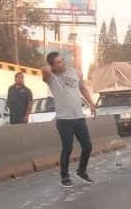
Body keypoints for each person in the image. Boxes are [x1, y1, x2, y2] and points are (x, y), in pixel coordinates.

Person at [41, 52, 97, 188]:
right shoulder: (51, 78)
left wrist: (92, 104)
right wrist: (52, 70)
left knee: (88, 146)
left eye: (62, 61)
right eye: (58, 62)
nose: (62, 63)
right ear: (53, 65)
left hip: (79, 116)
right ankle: (64, 177)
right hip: (64, 119)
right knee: (67, 148)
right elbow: (44, 70)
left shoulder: (75, 73)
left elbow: (83, 89)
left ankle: (81, 171)